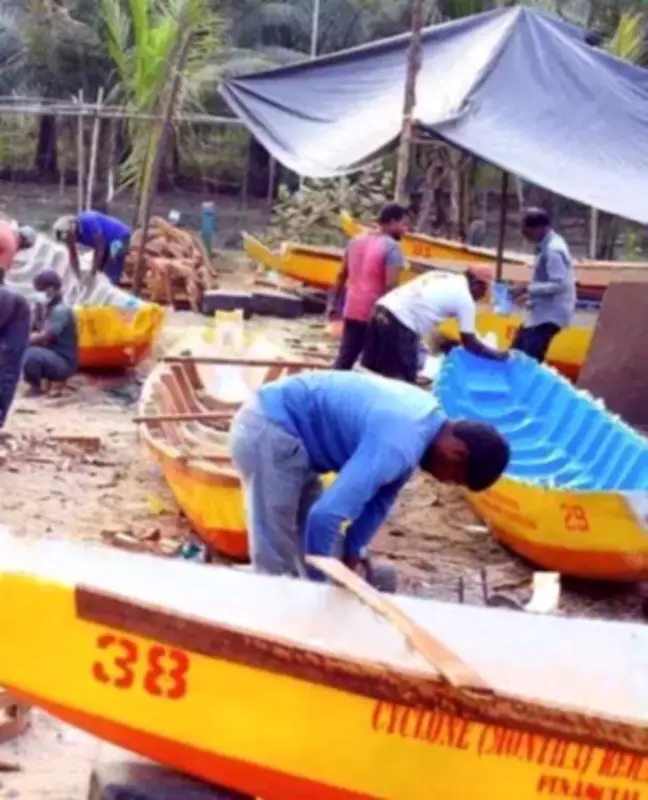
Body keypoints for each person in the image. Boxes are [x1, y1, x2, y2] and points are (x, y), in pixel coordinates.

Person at [229, 370, 510, 587]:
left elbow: (380, 501)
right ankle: (269, 624)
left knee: (318, 546)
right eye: (453, 479)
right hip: (269, 427)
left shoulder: (424, 425)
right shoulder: (399, 442)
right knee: (275, 555)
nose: (444, 481)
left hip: (297, 441)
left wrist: (353, 551)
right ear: (457, 452)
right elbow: (325, 516)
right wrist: (321, 590)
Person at [362, 268, 507, 383]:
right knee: (401, 384)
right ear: (477, 285)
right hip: (401, 323)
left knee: (373, 375)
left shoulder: (442, 276)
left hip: (380, 310)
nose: (483, 295)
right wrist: (497, 355)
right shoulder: (465, 298)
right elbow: (469, 342)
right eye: (485, 290)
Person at [330, 203, 409, 370]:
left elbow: (341, 275)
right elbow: (390, 285)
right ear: (392, 222)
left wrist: (334, 304)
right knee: (371, 366)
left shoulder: (355, 240)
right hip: (374, 314)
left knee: (345, 359)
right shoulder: (392, 247)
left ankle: (331, 384)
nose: (405, 230)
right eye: (403, 224)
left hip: (352, 308)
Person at [510, 208, 576, 362]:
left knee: (528, 357)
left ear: (539, 228)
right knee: (517, 351)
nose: (525, 237)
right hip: (541, 311)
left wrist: (528, 288)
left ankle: (529, 377)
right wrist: (529, 295)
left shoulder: (553, 250)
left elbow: (559, 284)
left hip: (550, 314)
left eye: (527, 232)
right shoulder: (546, 245)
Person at [23, 270, 78, 396]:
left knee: (29, 355)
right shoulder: (43, 308)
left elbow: (46, 336)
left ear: (50, 289)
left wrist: (21, 341)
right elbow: (32, 329)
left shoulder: (60, 310)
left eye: (39, 290)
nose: (37, 294)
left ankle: (36, 388)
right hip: (50, 356)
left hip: (63, 361)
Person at [54, 211, 131, 286]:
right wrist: (78, 277)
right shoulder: (72, 235)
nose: (70, 242)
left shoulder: (90, 224)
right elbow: (73, 256)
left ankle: (114, 283)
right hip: (106, 242)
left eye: (69, 239)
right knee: (100, 270)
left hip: (120, 237)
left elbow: (100, 250)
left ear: (73, 232)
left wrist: (92, 273)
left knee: (112, 264)